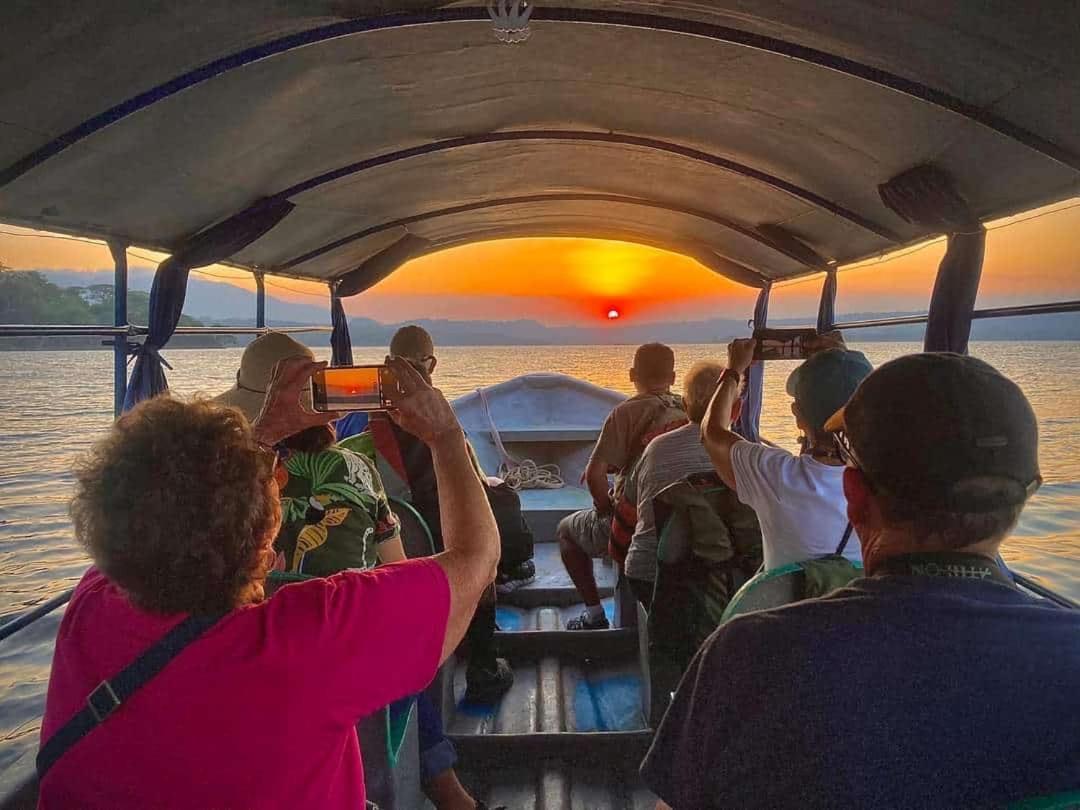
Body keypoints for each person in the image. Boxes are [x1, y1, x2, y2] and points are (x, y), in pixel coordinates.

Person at [38, 354, 500, 809]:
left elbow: (171, 514)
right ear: (265, 546)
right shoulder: (310, 640)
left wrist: (264, 434)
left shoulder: (90, 604)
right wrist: (444, 434)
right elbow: (477, 559)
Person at [641, 353, 1080, 809]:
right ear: (1029, 493)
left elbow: (714, 434)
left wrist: (736, 370)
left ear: (856, 496)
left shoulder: (749, 656)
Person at [216, 333, 488, 810]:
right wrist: (446, 436)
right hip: (336, 665)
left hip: (240, 676)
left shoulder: (211, 499)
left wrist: (261, 435)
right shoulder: (355, 472)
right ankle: (453, 797)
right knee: (393, 651)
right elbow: (422, 567)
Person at [354, 325, 517, 703]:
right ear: (432, 365)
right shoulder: (443, 426)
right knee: (486, 549)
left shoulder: (357, 420)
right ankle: (482, 668)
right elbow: (473, 488)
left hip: (387, 544)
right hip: (444, 545)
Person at [700, 334, 871, 570]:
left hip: (787, 606)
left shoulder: (776, 474)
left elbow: (711, 432)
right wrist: (842, 362)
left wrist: (733, 370)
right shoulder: (891, 480)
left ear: (797, 415)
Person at [559, 343, 687, 629]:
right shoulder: (689, 409)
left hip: (636, 526)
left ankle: (594, 616)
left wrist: (606, 513)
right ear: (674, 377)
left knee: (566, 531)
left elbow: (594, 477)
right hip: (685, 518)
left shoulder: (625, 414)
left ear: (632, 375)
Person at [619, 361, 752, 608]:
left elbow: (632, 508)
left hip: (652, 576)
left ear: (684, 405)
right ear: (737, 410)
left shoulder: (656, 448)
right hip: (726, 581)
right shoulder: (750, 457)